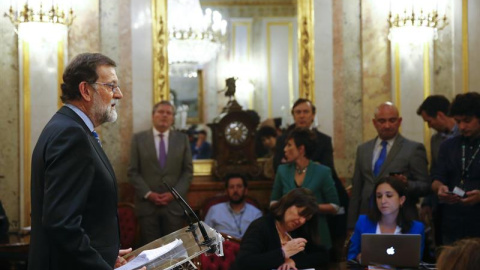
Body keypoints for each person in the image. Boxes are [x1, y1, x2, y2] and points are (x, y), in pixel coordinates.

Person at [28, 53, 139, 270]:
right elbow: (62, 225)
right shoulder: (71, 135)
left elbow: (84, 212)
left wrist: (104, 254)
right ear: (86, 90)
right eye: (111, 86)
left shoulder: (70, 128)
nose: (120, 94)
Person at [273, 98, 349, 260]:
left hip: (317, 231)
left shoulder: (322, 163)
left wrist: (308, 208)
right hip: (288, 233)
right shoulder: (283, 166)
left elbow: (333, 199)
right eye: (298, 112)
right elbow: (274, 196)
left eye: (305, 112)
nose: (301, 116)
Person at [348, 102, 430, 230]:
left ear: (399, 121)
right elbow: (357, 190)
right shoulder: (363, 149)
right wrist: (352, 224)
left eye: (392, 120)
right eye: (382, 121)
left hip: (401, 219)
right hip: (367, 218)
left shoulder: (413, 149)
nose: (387, 125)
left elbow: (425, 185)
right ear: (375, 123)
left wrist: (406, 184)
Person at [128, 101, 193, 245]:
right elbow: (133, 172)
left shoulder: (182, 140)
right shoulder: (138, 139)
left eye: (168, 113)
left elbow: (187, 172)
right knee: (151, 252)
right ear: (153, 116)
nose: (164, 115)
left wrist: (174, 194)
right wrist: (148, 194)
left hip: (174, 207)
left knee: (174, 252)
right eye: (161, 112)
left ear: (173, 118)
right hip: (147, 207)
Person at [271, 127, 339, 250]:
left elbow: (335, 206)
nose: (285, 149)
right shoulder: (282, 171)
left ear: (301, 149)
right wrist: (287, 208)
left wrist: (308, 209)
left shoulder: (322, 171)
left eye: (289, 145)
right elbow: (273, 202)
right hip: (288, 235)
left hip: (317, 234)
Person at [231, 188, 329, 270]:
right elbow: (244, 262)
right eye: (300, 213)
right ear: (288, 204)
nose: (302, 221)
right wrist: (283, 253)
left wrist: (293, 261)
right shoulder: (261, 227)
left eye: (306, 218)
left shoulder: (298, 230)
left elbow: (323, 256)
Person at [431, 92, 480, 245]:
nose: (462, 127)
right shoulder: (448, 146)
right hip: (452, 224)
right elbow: (436, 179)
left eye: (467, 121)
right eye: (458, 122)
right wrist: (440, 189)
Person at [416, 95, 459, 250]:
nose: (429, 126)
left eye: (429, 121)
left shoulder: (466, 135)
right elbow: (434, 172)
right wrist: (427, 201)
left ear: (440, 115)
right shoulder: (435, 140)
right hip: (441, 206)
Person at [348, 176, 425, 262]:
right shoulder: (363, 222)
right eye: (379, 196)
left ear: (401, 200)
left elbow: (415, 263)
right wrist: (359, 258)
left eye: (389, 195)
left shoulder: (416, 228)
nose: (383, 201)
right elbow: (351, 258)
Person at [204, 174, 262, 238]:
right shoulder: (214, 210)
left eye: (239, 186)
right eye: (231, 187)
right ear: (226, 191)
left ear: (245, 190)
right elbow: (205, 237)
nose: (235, 190)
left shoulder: (256, 214)